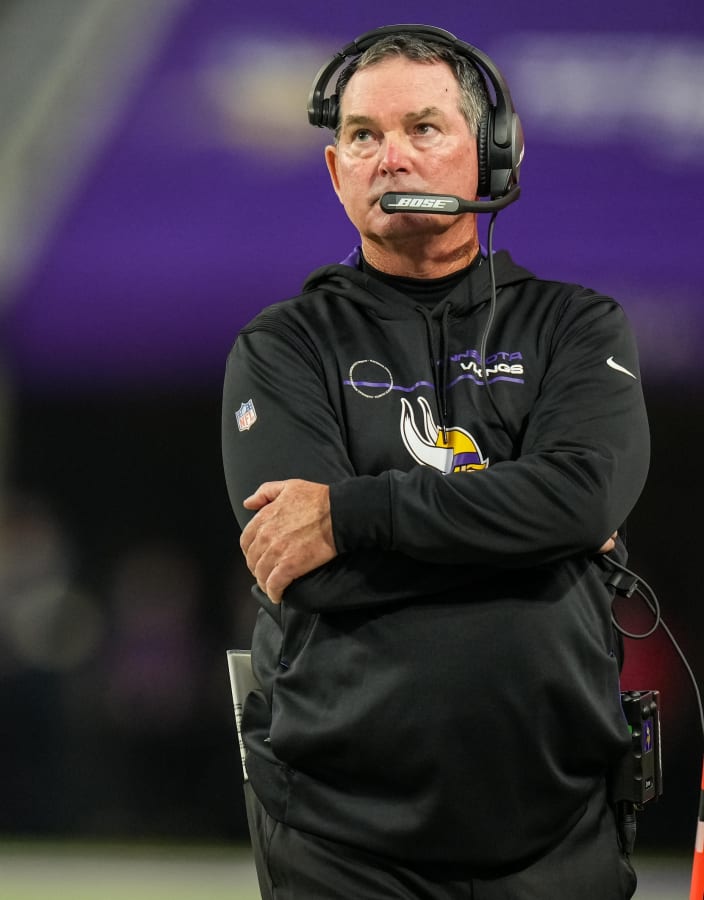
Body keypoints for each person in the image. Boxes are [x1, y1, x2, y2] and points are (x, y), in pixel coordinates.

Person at [220, 24, 649, 899]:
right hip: (340, 840)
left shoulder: (578, 326)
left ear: (493, 154)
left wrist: (350, 517)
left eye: (423, 128)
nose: (390, 157)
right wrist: (538, 541)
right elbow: (312, 578)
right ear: (337, 173)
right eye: (363, 136)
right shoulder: (282, 346)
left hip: (559, 825)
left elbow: (583, 493)